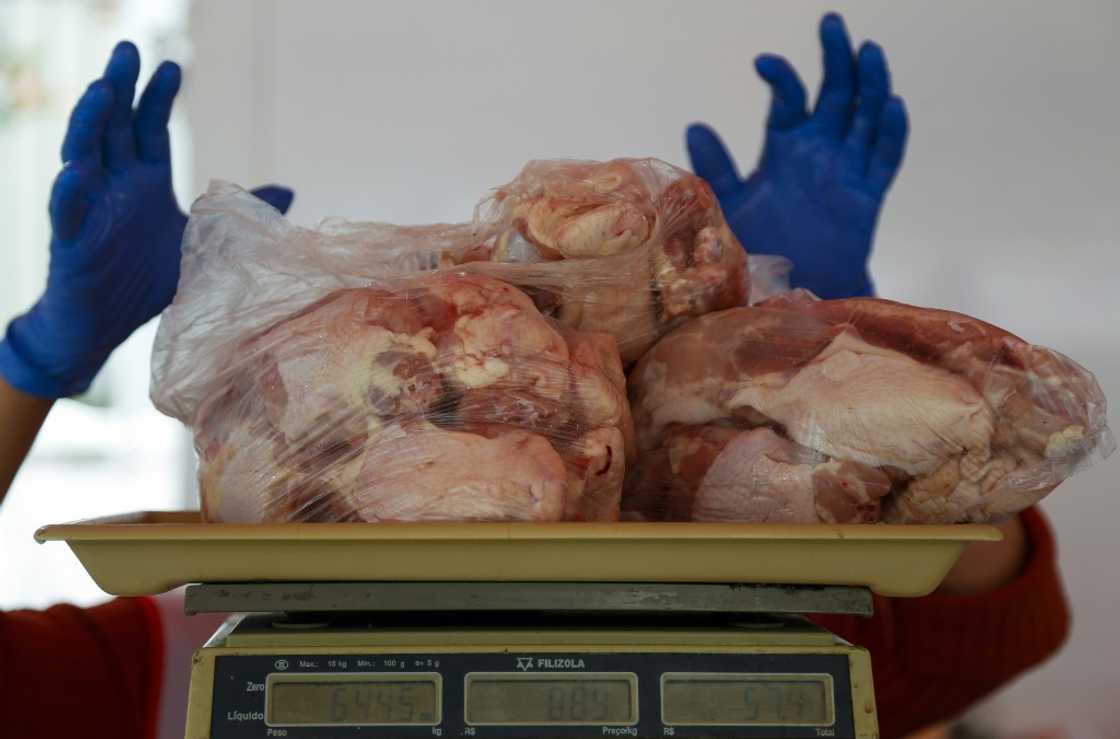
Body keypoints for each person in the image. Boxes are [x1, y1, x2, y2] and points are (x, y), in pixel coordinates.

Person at [0, 15, 1069, 739]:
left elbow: (996, 620)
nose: (519, 385)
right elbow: (996, 626)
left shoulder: (715, 591)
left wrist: (809, 341)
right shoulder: (154, 660)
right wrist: (40, 359)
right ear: (303, 446)